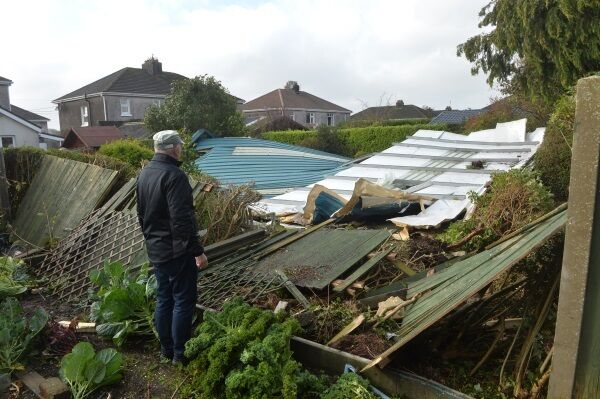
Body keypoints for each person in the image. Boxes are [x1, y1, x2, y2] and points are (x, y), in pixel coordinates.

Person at [136, 130, 208, 365]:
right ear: (174, 148)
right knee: (183, 301)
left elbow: (141, 215)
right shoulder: (175, 176)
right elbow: (182, 220)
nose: (182, 150)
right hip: (177, 251)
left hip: (156, 249)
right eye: (180, 146)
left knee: (163, 299)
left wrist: (151, 240)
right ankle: (180, 354)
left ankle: (166, 349)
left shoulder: (145, 174)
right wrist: (197, 251)